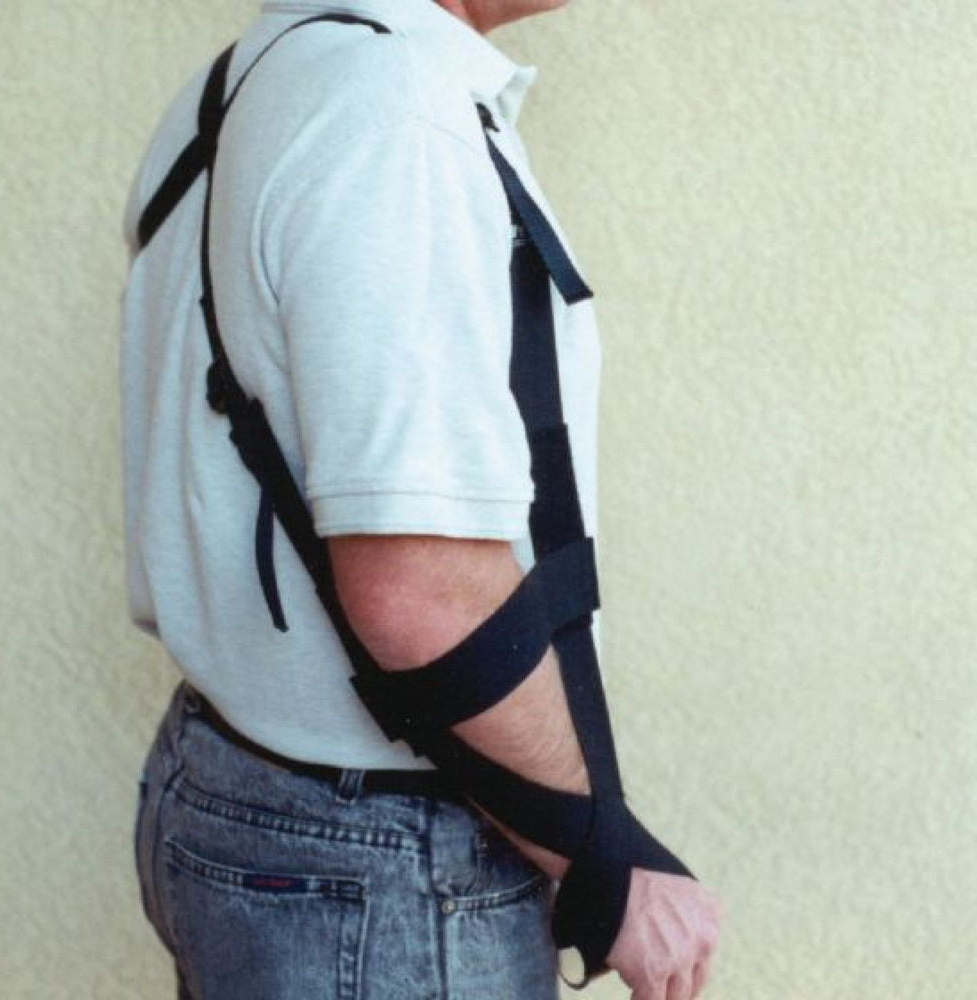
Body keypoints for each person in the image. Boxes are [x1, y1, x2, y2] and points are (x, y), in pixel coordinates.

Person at [121, 1, 722, 997]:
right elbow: (420, 590)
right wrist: (603, 864)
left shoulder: (245, 78)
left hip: (239, 791)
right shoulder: (392, 114)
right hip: (380, 868)